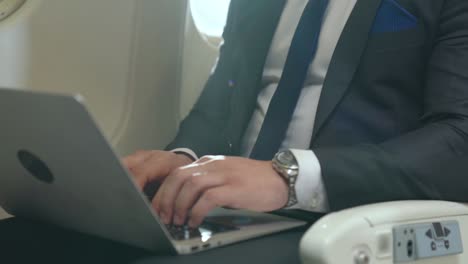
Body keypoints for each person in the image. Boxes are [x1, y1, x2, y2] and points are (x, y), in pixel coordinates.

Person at [123, 0, 468, 228]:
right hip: (228, 213)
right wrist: (187, 159)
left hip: (340, 219)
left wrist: (288, 178)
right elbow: (224, 97)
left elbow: (458, 142)